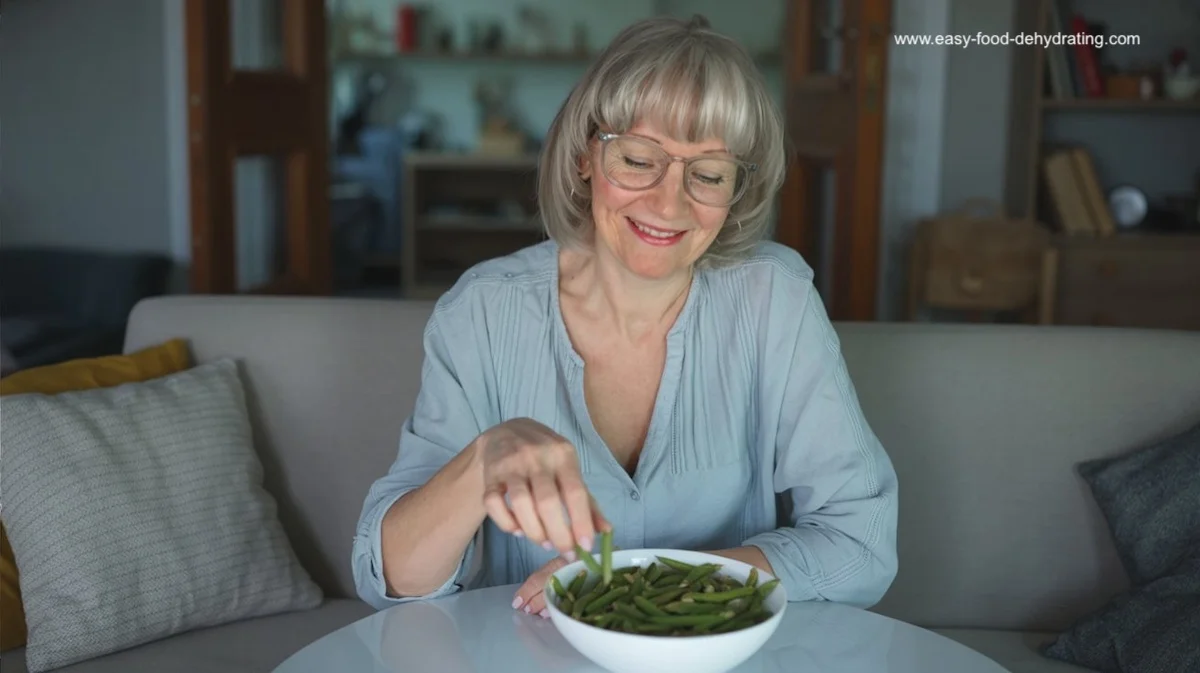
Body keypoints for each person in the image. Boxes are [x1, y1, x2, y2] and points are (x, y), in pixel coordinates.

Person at [352, 14, 898, 619]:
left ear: (738, 190)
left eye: (709, 174)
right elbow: (392, 580)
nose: (669, 203)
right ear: (586, 155)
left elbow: (861, 543)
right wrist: (482, 461)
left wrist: (641, 583)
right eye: (639, 161)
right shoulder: (481, 311)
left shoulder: (778, 298)